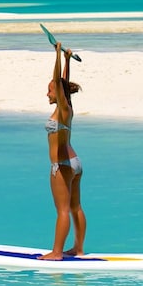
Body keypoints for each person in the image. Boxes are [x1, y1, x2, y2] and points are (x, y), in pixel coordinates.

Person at [39, 40, 85, 260]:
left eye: (50, 91)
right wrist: (67, 59)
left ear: (57, 93)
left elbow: (58, 81)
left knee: (63, 210)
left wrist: (57, 55)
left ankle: (57, 252)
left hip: (62, 165)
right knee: (75, 207)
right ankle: (78, 248)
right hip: (75, 162)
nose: (47, 94)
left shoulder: (63, 109)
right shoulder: (66, 107)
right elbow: (63, 83)